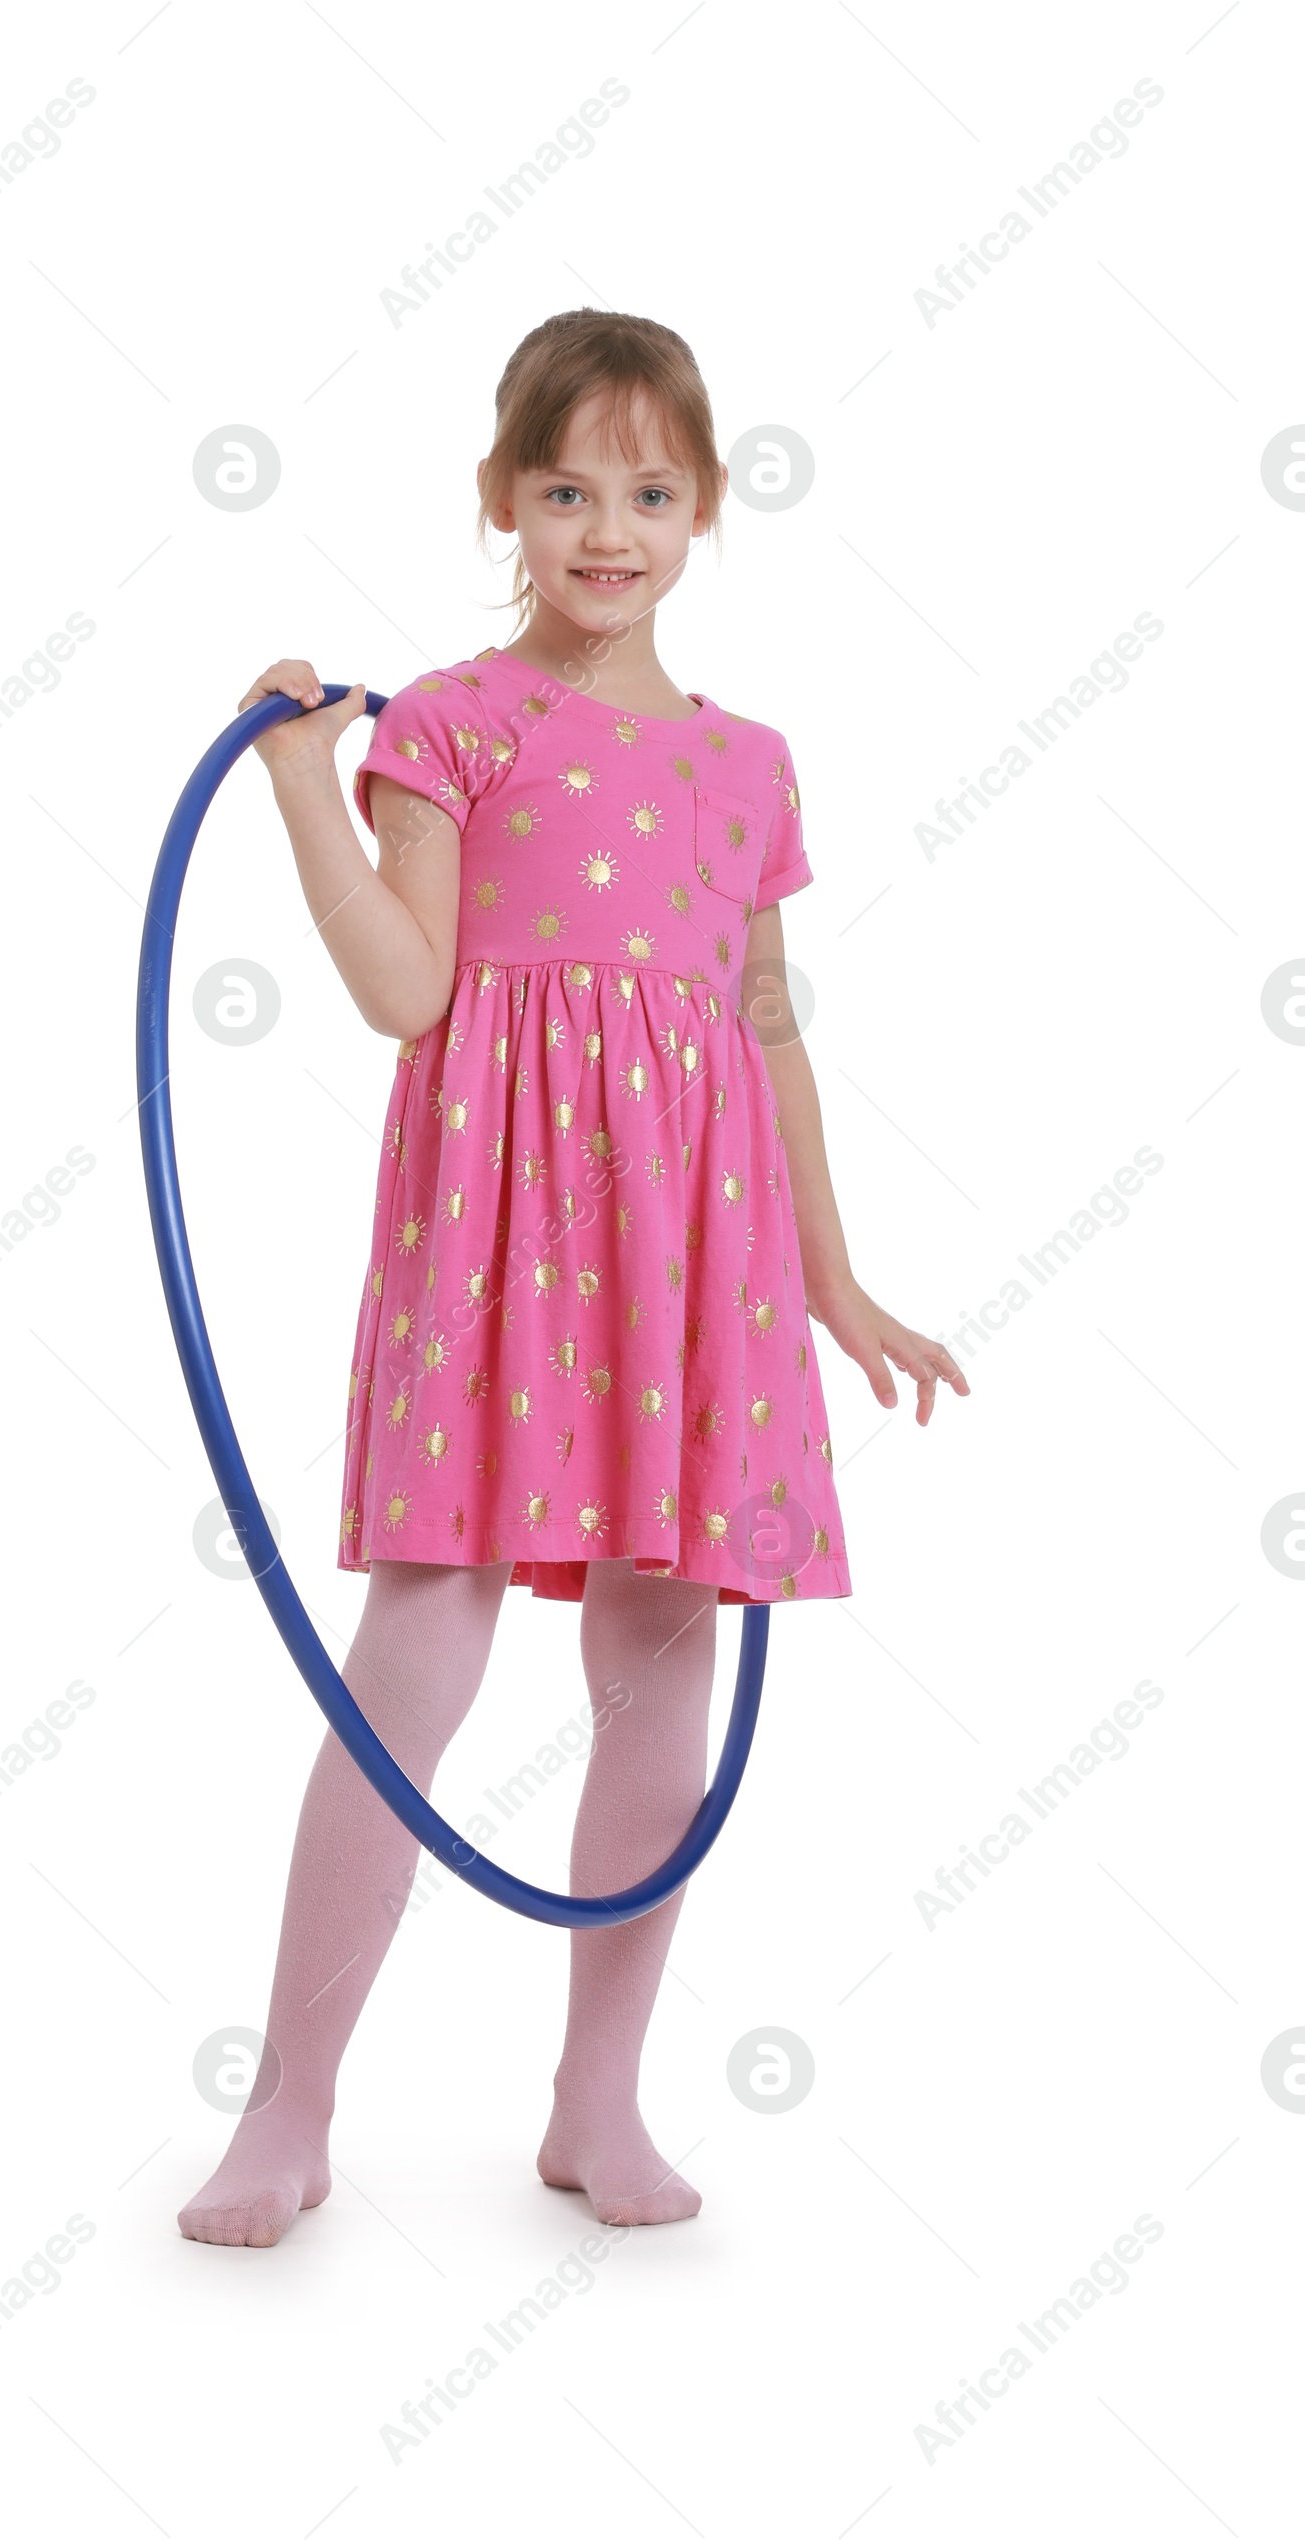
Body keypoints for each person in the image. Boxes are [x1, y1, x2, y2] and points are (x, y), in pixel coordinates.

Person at [178, 307, 968, 2248]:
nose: (603, 526)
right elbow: (403, 990)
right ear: (500, 502)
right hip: (500, 1239)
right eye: (562, 487)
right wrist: (301, 792)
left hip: (690, 1260)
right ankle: (287, 2104)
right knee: (423, 1642)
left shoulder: (743, 767)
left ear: (702, 506)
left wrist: (831, 1283)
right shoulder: (448, 722)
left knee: (653, 1651)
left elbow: (764, 1029)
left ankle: (594, 2099)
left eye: (645, 488)